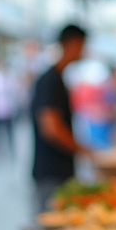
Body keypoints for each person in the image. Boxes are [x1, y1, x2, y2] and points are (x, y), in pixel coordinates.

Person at [31, 23, 89, 213]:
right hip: (51, 172)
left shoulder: (58, 78)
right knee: (51, 221)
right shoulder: (50, 80)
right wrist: (83, 150)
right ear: (73, 44)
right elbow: (51, 128)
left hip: (58, 171)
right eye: (83, 45)